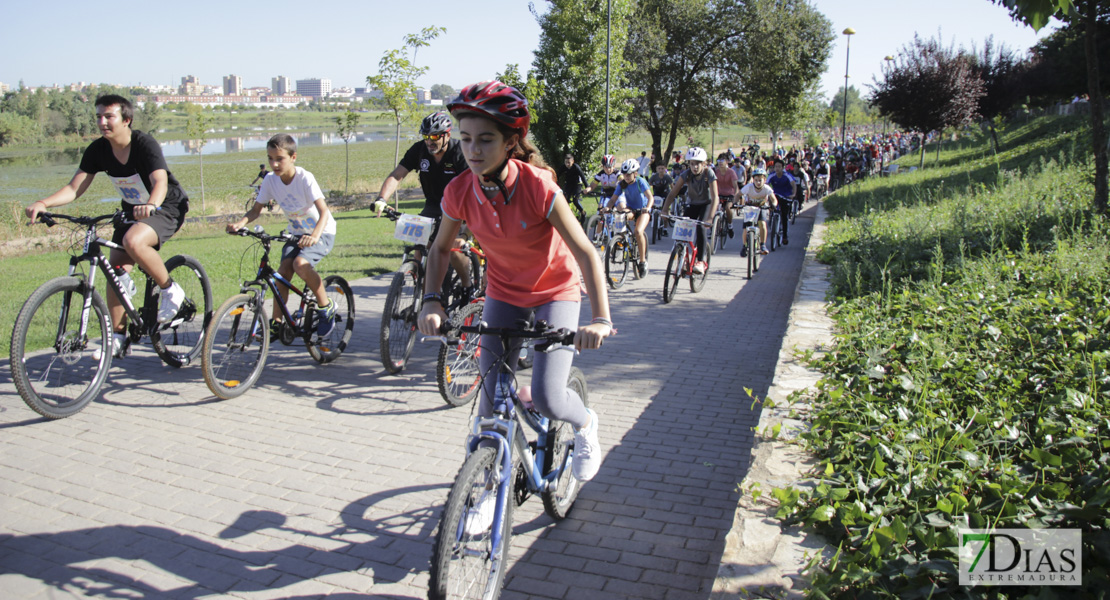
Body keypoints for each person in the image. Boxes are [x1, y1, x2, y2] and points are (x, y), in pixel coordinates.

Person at [418, 81, 613, 489]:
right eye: (465, 138)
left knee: (548, 397)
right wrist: (432, 302)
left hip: (554, 291)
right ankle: (483, 494)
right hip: (504, 293)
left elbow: (585, 253)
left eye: (486, 140)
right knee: (488, 407)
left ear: (511, 142)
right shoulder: (459, 191)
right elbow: (439, 250)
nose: (473, 150)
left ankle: (585, 424)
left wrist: (599, 319)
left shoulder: (539, 186)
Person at [26, 94, 190, 358]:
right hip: (131, 210)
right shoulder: (98, 150)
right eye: (98, 117)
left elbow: (159, 181)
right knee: (114, 272)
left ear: (126, 120)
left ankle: (170, 288)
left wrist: (151, 204)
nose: (102, 122)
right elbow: (73, 188)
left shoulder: (143, 144)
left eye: (108, 116)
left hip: (165, 206)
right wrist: (43, 203)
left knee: (133, 242)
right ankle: (118, 337)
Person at [227, 134, 338, 337]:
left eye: (279, 159)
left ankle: (326, 306)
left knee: (300, 265)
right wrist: (240, 224)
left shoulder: (305, 178)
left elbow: (324, 212)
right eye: (270, 158)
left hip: (322, 231)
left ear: (293, 157)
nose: (274, 164)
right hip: (296, 233)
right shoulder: (270, 180)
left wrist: (314, 236)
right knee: (282, 272)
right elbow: (255, 210)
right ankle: (277, 323)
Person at [374, 110, 473, 289]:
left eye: (435, 136)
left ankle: (467, 286)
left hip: (459, 208)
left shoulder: (460, 152)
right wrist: (382, 199)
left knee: (453, 250)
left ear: (447, 135)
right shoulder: (419, 150)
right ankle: (419, 296)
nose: (429, 141)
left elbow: (471, 186)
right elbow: (397, 175)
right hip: (433, 205)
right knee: (419, 247)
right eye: (426, 136)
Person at [660, 147, 718, 275]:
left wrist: (710, 218)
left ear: (703, 164)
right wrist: (665, 210)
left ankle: (701, 261)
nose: (695, 167)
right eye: (692, 164)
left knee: (701, 227)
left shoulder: (709, 174)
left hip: (706, 204)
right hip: (692, 203)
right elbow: (672, 193)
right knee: (683, 226)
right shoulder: (686, 174)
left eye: (698, 164)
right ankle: (683, 259)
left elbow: (715, 197)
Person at [608, 158, 653, 277]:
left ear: (635, 173)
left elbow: (650, 197)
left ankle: (643, 262)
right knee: (620, 217)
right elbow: (613, 199)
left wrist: (647, 208)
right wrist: (607, 208)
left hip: (643, 210)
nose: (626, 177)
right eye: (624, 174)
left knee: (638, 231)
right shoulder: (622, 184)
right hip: (631, 209)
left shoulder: (640, 182)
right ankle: (620, 241)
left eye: (628, 175)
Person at [738, 167, 776, 256]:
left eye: (760, 180)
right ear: (753, 180)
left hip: (761, 208)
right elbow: (738, 194)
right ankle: (744, 246)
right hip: (750, 208)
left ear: (764, 180)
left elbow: (774, 199)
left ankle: (763, 245)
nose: (758, 182)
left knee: (762, 224)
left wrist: (773, 204)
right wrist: (736, 203)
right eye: (756, 180)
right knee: (745, 228)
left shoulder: (767, 188)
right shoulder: (748, 187)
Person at [766, 159, 797, 246]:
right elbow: (766, 185)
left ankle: (785, 236)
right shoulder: (771, 175)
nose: (777, 168)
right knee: (773, 209)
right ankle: (773, 219)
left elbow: (793, 184)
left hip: (786, 196)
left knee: (784, 216)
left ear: (783, 168)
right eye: (776, 166)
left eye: (779, 166)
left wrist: (793, 194)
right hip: (775, 196)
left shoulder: (787, 175)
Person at [557, 153, 590, 222]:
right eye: (566, 162)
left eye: (569, 162)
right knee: (565, 199)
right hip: (569, 183)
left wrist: (587, 187)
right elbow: (557, 175)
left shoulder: (576, 167)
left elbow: (583, 177)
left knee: (575, 200)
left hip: (577, 183)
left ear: (573, 161)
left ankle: (583, 212)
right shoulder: (564, 167)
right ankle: (568, 214)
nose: (567, 164)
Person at [714, 153, 739, 239]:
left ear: (727, 162)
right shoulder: (716, 172)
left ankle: (730, 225)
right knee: (713, 208)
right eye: (718, 160)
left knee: (728, 208)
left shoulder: (731, 172)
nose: (720, 162)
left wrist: (735, 198)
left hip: (730, 195)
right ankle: (713, 230)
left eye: (722, 160)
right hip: (719, 194)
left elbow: (736, 187)